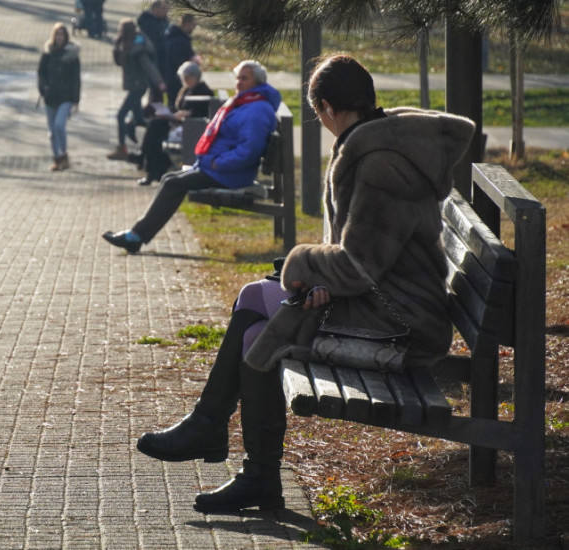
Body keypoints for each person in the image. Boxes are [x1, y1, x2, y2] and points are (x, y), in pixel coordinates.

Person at [134, 54, 476, 514]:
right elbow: (367, 262)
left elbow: (358, 266)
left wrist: (307, 267)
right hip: (381, 300)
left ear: (328, 108)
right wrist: (321, 283)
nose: (321, 122)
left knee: (261, 326)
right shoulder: (376, 142)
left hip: (401, 324)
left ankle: (242, 460)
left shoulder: (383, 165)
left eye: (318, 113)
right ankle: (218, 434)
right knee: (255, 300)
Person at [102, 60, 278, 252]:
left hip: (231, 172)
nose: (238, 83)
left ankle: (136, 236)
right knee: (170, 178)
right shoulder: (246, 102)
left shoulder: (256, 109)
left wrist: (216, 163)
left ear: (258, 82)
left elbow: (249, 151)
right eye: (237, 78)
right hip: (221, 168)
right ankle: (137, 235)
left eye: (245, 78)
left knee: (172, 183)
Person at [132, 61, 212, 186]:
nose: (185, 81)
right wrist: (168, 112)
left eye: (188, 78)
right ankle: (152, 169)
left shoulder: (204, 91)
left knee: (155, 132)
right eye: (183, 78)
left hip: (191, 127)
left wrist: (188, 113)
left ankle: (149, 166)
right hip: (178, 123)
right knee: (154, 124)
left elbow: (204, 111)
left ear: (196, 77)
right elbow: (178, 108)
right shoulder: (186, 90)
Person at [106, 19, 165, 162]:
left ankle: (122, 149)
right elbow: (119, 62)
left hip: (138, 87)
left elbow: (148, 66)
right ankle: (162, 134)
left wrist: (159, 81)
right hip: (135, 86)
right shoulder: (125, 45)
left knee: (121, 116)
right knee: (139, 119)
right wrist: (116, 47)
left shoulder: (137, 48)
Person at [38, 23, 81, 172]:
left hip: (66, 96)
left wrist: (76, 99)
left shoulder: (72, 55)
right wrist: (43, 88)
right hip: (50, 96)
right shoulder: (48, 52)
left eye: (62, 34)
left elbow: (76, 78)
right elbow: (41, 73)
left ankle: (64, 154)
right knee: (51, 132)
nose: (59, 37)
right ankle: (57, 158)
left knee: (59, 125)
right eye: (57, 34)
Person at [163, 14, 201, 109]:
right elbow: (177, 61)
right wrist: (192, 61)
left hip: (174, 78)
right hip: (176, 80)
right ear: (187, 24)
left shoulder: (179, 37)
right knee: (175, 106)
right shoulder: (179, 40)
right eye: (193, 25)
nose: (194, 28)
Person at [137, 1, 169, 104]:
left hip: (161, 59)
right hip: (152, 59)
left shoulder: (163, 20)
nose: (167, 12)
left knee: (155, 91)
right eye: (164, 9)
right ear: (156, 9)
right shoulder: (148, 23)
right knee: (153, 88)